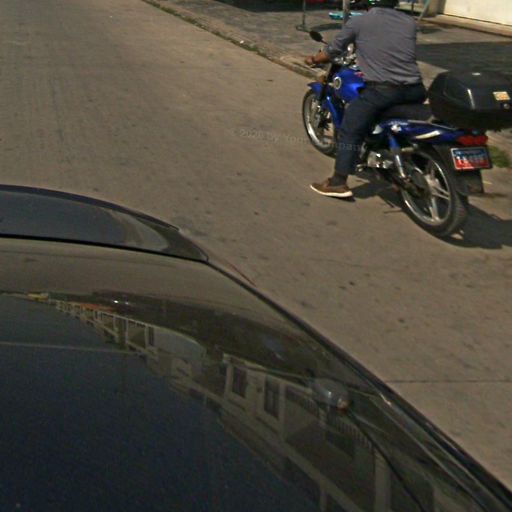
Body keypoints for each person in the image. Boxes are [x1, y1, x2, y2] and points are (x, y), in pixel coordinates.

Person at [305, 0, 426, 198]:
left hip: (384, 91)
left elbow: (333, 50)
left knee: (350, 128)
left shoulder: (359, 22)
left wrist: (313, 59)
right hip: (416, 90)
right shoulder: (409, 22)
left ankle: (338, 182)